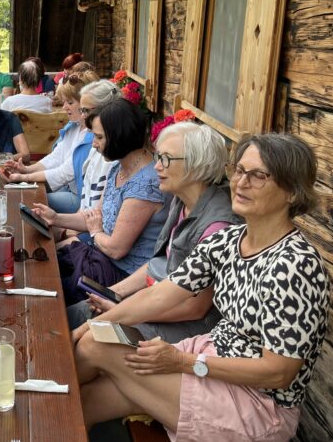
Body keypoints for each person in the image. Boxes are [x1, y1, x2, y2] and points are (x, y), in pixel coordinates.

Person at [72, 134, 330, 442]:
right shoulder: (229, 241)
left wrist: (185, 362)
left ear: (291, 191)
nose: (241, 182)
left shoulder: (296, 265)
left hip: (255, 403)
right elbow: (161, 294)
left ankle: (40, 390)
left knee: (93, 346)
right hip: (206, 363)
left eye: (258, 175)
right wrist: (90, 323)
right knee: (84, 398)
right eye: (239, 170)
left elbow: (279, 372)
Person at [67, 122, 241, 339]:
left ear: (197, 165)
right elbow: (158, 263)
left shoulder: (218, 226)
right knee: (76, 312)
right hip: (157, 303)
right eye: (158, 156)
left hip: (187, 329)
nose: (157, 166)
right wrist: (114, 294)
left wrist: (126, 310)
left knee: (89, 337)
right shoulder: (182, 201)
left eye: (165, 159)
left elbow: (195, 308)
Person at [34, 99, 167, 305]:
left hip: (121, 276)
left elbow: (116, 248)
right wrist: (55, 218)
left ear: (119, 136)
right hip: (100, 258)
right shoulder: (119, 167)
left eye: (98, 137)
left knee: (49, 293)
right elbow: (95, 217)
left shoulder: (145, 185)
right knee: (40, 272)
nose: (94, 144)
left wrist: (95, 232)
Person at [6, 76, 112, 214]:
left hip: (78, 195)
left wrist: (24, 177)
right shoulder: (74, 126)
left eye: (70, 102)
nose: (64, 107)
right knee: (27, 195)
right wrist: (27, 169)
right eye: (64, 101)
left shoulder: (92, 137)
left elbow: (65, 173)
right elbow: (56, 157)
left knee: (31, 199)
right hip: (68, 188)